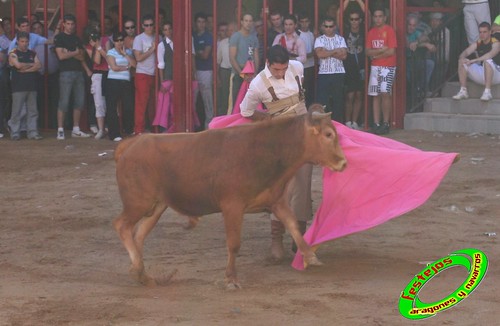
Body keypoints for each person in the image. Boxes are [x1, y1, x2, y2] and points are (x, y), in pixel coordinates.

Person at [239, 45, 311, 260]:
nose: (281, 73)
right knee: (280, 189)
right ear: (268, 63)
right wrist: (268, 119)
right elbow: (246, 111)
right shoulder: (258, 83)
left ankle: (299, 237)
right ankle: (276, 239)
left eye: (284, 68)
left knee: (303, 185)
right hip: (278, 140)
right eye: (277, 69)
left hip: (303, 135)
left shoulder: (297, 67)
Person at [54, 14, 91, 139]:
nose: (70, 26)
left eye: (72, 24)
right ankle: (60, 129)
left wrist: (69, 52)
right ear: (63, 24)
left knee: (79, 101)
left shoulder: (77, 38)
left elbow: (82, 57)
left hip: (78, 72)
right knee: (63, 101)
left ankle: (76, 129)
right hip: (65, 72)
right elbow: (61, 56)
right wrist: (75, 52)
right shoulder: (59, 37)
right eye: (68, 24)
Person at [365, 8, 397, 135]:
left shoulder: (389, 31)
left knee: (385, 94)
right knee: (375, 94)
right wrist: (381, 51)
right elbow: (367, 52)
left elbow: (391, 51)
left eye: (380, 16)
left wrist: (375, 54)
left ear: (384, 17)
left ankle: (386, 123)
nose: (377, 19)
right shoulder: (371, 32)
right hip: (375, 67)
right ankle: (376, 123)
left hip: (388, 67)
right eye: (375, 16)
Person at [452, 22, 500, 102]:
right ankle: (463, 91)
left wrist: (474, 60)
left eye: (484, 32)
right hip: (484, 73)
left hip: (497, 74)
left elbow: (490, 54)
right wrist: (462, 58)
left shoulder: (496, 42)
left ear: (490, 32)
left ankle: (487, 92)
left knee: (487, 61)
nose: (482, 34)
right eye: (480, 32)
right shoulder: (479, 42)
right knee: (462, 61)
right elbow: (467, 51)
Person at [8, 31, 42, 140]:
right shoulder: (13, 53)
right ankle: (15, 132)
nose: (24, 43)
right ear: (17, 41)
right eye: (22, 41)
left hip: (31, 85)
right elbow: (18, 66)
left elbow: (39, 65)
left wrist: (26, 69)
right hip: (18, 86)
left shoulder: (32, 53)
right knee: (16, 111)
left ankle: (32, 132)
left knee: (33, 110)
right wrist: (32, 65)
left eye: (26, 41)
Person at [314, 16, 347, 123]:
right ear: (323, 27)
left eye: (331, 26)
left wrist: (327, 52)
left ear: (335, 27)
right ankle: (324, 123)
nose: (328, 28)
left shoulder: (340, 39)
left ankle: (338, 124)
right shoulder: (319, 39)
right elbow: (320, 54)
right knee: (323, 100)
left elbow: (344, 56)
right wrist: (335, 51)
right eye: (326, 26)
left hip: (338, 73)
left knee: (338, 100)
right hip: (324, 73)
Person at [106, 31, 136, 141]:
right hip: (113, 82)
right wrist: (126, 68)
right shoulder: (110, 52)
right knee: (112, 108)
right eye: (117, 40)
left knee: (128, 106)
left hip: (125, 82)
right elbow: (114, 67)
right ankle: (114, 134)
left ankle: (128, 129)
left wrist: (125, 55)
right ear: (113, 42)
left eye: (121, 40)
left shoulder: (128, 52)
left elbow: (134, 64)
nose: (119, 42)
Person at [84, 29, 110, 139]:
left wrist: (99, 46)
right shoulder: (88, 46)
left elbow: (109, 58)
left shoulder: (106, 40)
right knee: (99, 103)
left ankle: (109, 127)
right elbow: (98, 61)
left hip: (109, 73)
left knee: (110, 102)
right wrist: (96, 47)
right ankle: (101, 129)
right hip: (98, 75)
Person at [229, 13, 259, 107]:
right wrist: (242, 74)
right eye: (246, 21)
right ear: (242, 22)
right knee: (236, 102)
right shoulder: (236, 36)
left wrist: (255, 73)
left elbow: (256, 56)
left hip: (251, 74)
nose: (248, 23)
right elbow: (232, 58)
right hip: (238, 74)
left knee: (251, 103)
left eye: (250, 21)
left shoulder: (254, 37)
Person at [133, 14, 156, 135]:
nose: (149, 27)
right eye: (146, 25)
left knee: (154, 103)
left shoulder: (158, 37)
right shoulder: (139, 39)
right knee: (142, 103)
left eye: (151, 25)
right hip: (142, 73)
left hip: (155, 74)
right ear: (142, 26)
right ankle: (139, 130)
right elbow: (138, 58)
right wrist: (152, 49)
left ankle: (154, 128)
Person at [343, 9, 365, 130]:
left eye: (356, 19)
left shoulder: (364, 32)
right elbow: (338, 15)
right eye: (352, 19)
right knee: (350, 95)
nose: (354, 22)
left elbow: (369, 14)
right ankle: (347, 122)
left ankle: (355, 122)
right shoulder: (345, 33)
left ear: (360, 20)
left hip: (361, 68)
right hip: (348, 68)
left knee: (359, 95)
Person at [193, 12, 214, 128]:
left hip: (206, 71)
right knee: (192, 101)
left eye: (203, 22)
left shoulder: (208, 36)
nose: (201, 24)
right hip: (193, 72)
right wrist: (198, 53)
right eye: (199, 22)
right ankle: (192, 125)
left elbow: (205, 55)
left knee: (208, 101)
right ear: (195, 23)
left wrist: (195, 53)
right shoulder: (192, 35)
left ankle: (209, 126)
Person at [217, 22, 236, 116]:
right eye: (228, 30)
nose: (230, 32)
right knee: (225, 95)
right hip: (224, 71)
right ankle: (224, 117)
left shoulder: (240, 42)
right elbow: (218, 61)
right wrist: (217, 77)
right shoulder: (222, 43)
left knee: (235, 94)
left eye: (232, 30)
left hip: (236, 71)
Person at [298, 14, 315, 108]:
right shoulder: (298, 34)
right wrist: (313, 53)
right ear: (299, 23)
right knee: (302, 91)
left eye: (306, 21)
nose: (304, 24)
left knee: (310, 91)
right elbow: (300, 54)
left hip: (312, 66)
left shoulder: (312, 34)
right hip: (302, 67)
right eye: (302, 21)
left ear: (309, 22)